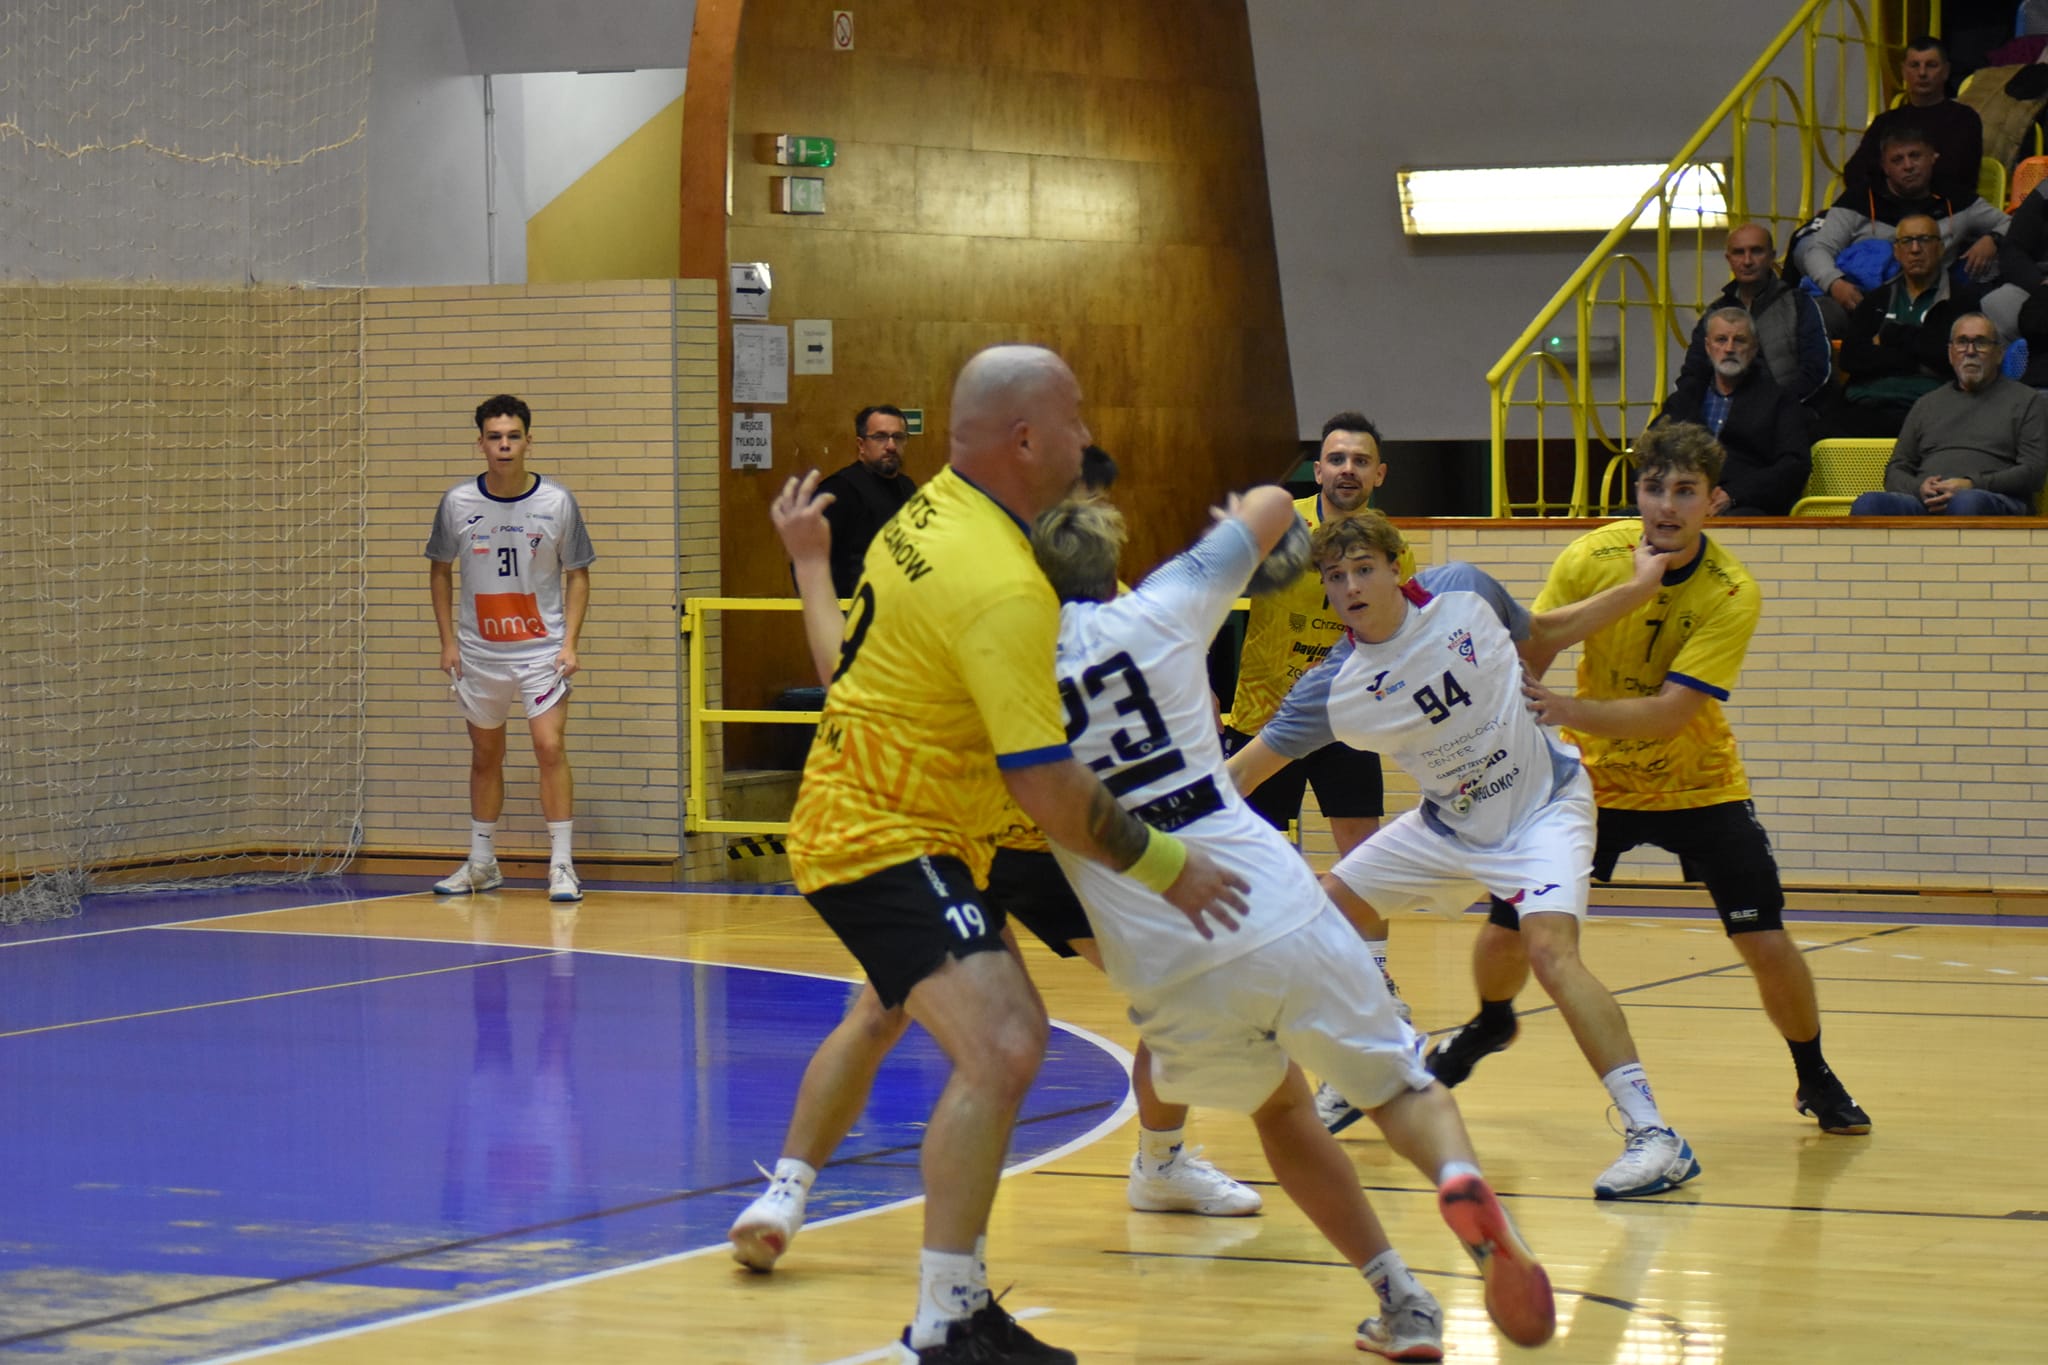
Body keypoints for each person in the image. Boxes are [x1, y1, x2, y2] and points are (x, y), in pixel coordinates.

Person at [759, 344, 1247, 1365]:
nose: (1087, 435)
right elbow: (1048, 787)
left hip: (940, 832)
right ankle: (943, 1316)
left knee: (975, 1032)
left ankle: (953, 1305)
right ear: (1025, 439)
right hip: (881, 833)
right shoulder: (1001, 586)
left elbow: (850, 669)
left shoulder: (926, 514)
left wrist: (809, 564)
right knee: (1003, 1042)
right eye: (1075, 417)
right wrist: (1172, 867)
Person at [1028, 487, 1555, 1359]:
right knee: (1397, 1088)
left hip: (1157, 940)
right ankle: (1459, 1178)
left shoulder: (1006, 675)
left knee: (1280, 1110)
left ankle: (1402, 1299)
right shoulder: (1164, 602)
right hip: (1262, 890)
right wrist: (1242, 521)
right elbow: (1276, 503)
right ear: (1114, 566)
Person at [1226, 513, 1704, 1201]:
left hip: (1543, 808)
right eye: (1335, 576)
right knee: (1327, 907)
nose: (1351, 586)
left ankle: (1654, 1134)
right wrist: (1150, 829)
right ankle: (1378, 1048)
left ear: (1396, 569)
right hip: (1450, 824)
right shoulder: (1333, 687)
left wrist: (1637, 588)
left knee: (1550, 952)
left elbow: (1548, 631)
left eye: (1364, 569)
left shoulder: (1463, 592)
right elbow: (1242, 774)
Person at [1504, 420, 1873, 1138]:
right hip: (1592, 782)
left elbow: (1672, 714)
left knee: (1764, 937)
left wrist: (1563, 708)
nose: (1667, 506)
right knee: (1504, 924)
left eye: (1685, 491)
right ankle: (1489, 1023)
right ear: (1637, 493)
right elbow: (1534, 649)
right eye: (1654, 488)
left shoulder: (1731, 590)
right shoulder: (1593, 555)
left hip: (1698, 782)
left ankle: (1815, 1073)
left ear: (1714, 500)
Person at [425, 394, 595, 904]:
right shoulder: (458, 503)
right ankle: (482, 863)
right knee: (486, 753)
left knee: (549, 746)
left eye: (513, 436)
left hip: (541, 651)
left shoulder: (557, 502)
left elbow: (578, 574)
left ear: (528, 441)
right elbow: (439, 571)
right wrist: (448, 642)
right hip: (480, 652)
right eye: (495, 437)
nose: (504, 445)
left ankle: (561, 865)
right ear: (480, 443)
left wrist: (570, 643)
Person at [1793, 124, 2006, 331]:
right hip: (1862, 302)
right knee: (1815, 316)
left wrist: (1992, 239)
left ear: (1933, 156)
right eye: (1897, 160)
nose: (1908, 166)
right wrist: (1834, 283)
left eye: (1915, 156)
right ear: (1884, 167)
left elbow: (2010, 223)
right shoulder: (1857, 200)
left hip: (1935, 303)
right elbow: (1818, 250)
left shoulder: (1958, 199)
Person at [1850, 312, 2048, 514]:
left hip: (1992, 499)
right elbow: (1896, 470)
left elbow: (2034, 472)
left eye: (1981, 343)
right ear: (1951, 354)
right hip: (1924, 503)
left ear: (1999, 354)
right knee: (1868, 504)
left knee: (1966, 502)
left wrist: (1972, 485)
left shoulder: (2028, 401)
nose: (1970, 351)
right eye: (1962, 342)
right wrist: (1919, 488)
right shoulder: (1926, 404)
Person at [1821, 213, 1985, 438]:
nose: (1915, 249)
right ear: (1897, 252)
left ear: (1940, 248)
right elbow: (1851, 358)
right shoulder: (1875, 300)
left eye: (1924, 239)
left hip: (1931, 411)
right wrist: (1917, 360)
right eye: (1907, 241)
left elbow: (1956, 359)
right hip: (1866, 406)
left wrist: (1892, 335)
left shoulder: (1962, 301)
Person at [1656, 307, 1812, 514]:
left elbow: (1794, 465)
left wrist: (1734, 494)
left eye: (1739, 340)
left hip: (1746, 505)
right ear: (1708, 347)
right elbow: (1651, 451)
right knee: (1624, 519)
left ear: (1754, 348)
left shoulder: (1779, 400)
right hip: (1680, 502)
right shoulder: (1685, 398)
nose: (1729, 348)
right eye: (1721, 340)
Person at [1678, 223, 1831, 404]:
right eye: (1739, 252)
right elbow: (1693, 373)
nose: (1747, 261)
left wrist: (1777, 407)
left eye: (1756, 251)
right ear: (1729, 259)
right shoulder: (1715, 312)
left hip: (1789, 410)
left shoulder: (1799, 304)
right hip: (1726, 412)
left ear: (1771, 256)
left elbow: (1815, 369)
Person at [1841, 35, 1984, 208]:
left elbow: (1955, 175)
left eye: (1931, 65)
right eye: (1914, 65)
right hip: (1886, 209)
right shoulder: (1886, 121)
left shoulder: (1964, 119)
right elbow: (1854, 173)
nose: (1922, 73)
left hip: (1944, 210)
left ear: (1946, 71)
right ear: (1903, 71)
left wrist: (1892, 175)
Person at [816, 404, 917, 598]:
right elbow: (811, 561)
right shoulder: (839, 490)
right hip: (852, 608)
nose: (891, 446)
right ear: (861, 445)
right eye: (880, 437)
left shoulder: (908, 488)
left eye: (898, 437)